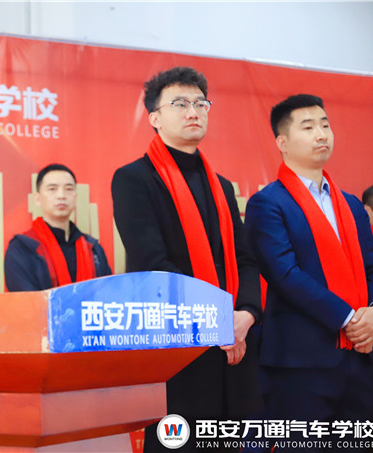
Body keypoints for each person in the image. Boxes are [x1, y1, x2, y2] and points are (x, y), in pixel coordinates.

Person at [111, 67, 262, 452]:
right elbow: (152, 263)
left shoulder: (222, 186)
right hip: (176, 347)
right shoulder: (133, 179)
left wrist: (245, 314)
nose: (193, 111)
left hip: (235, 346)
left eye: (200, 103)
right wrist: (217, 320)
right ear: (155, 118)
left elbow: (245, 258)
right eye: (180, 103)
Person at [245, 94, 373, 452]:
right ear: (282, 142)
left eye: (325, 124)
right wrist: (350, 318)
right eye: (308, 127)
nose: (321, 134)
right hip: (301, 362)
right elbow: (285, 274)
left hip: (359, 358)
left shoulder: (351, 204)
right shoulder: (267, 203)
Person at [4, 163, 112, 291]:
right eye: (52, 189)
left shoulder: (93, 248)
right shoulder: (22, 247)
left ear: (76, 197)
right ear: (37, 199)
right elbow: (26, 300)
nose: (61, 195)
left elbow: (107, 293)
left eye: (69, 189)